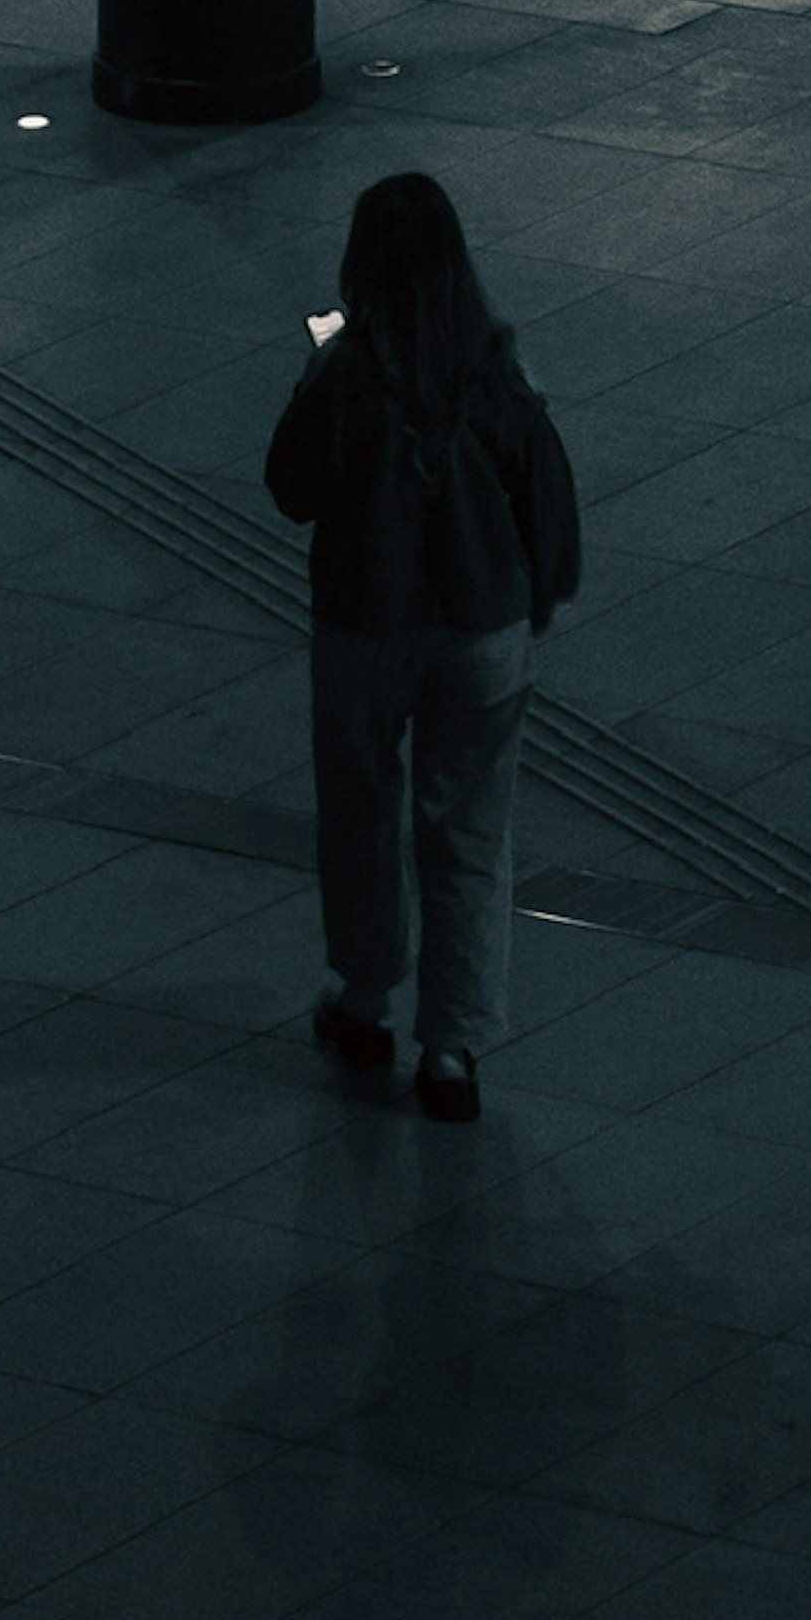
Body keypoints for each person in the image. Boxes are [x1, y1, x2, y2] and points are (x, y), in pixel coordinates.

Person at [267, 172, 582, 1127]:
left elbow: (291, 487)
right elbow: (549, 510)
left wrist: (321, 375)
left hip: (368, 626)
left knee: (360, 811)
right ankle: (452, 1048)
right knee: (471, 832)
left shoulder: (351, 369)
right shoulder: (497, 369)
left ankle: (365, 997)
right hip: (481, 633)